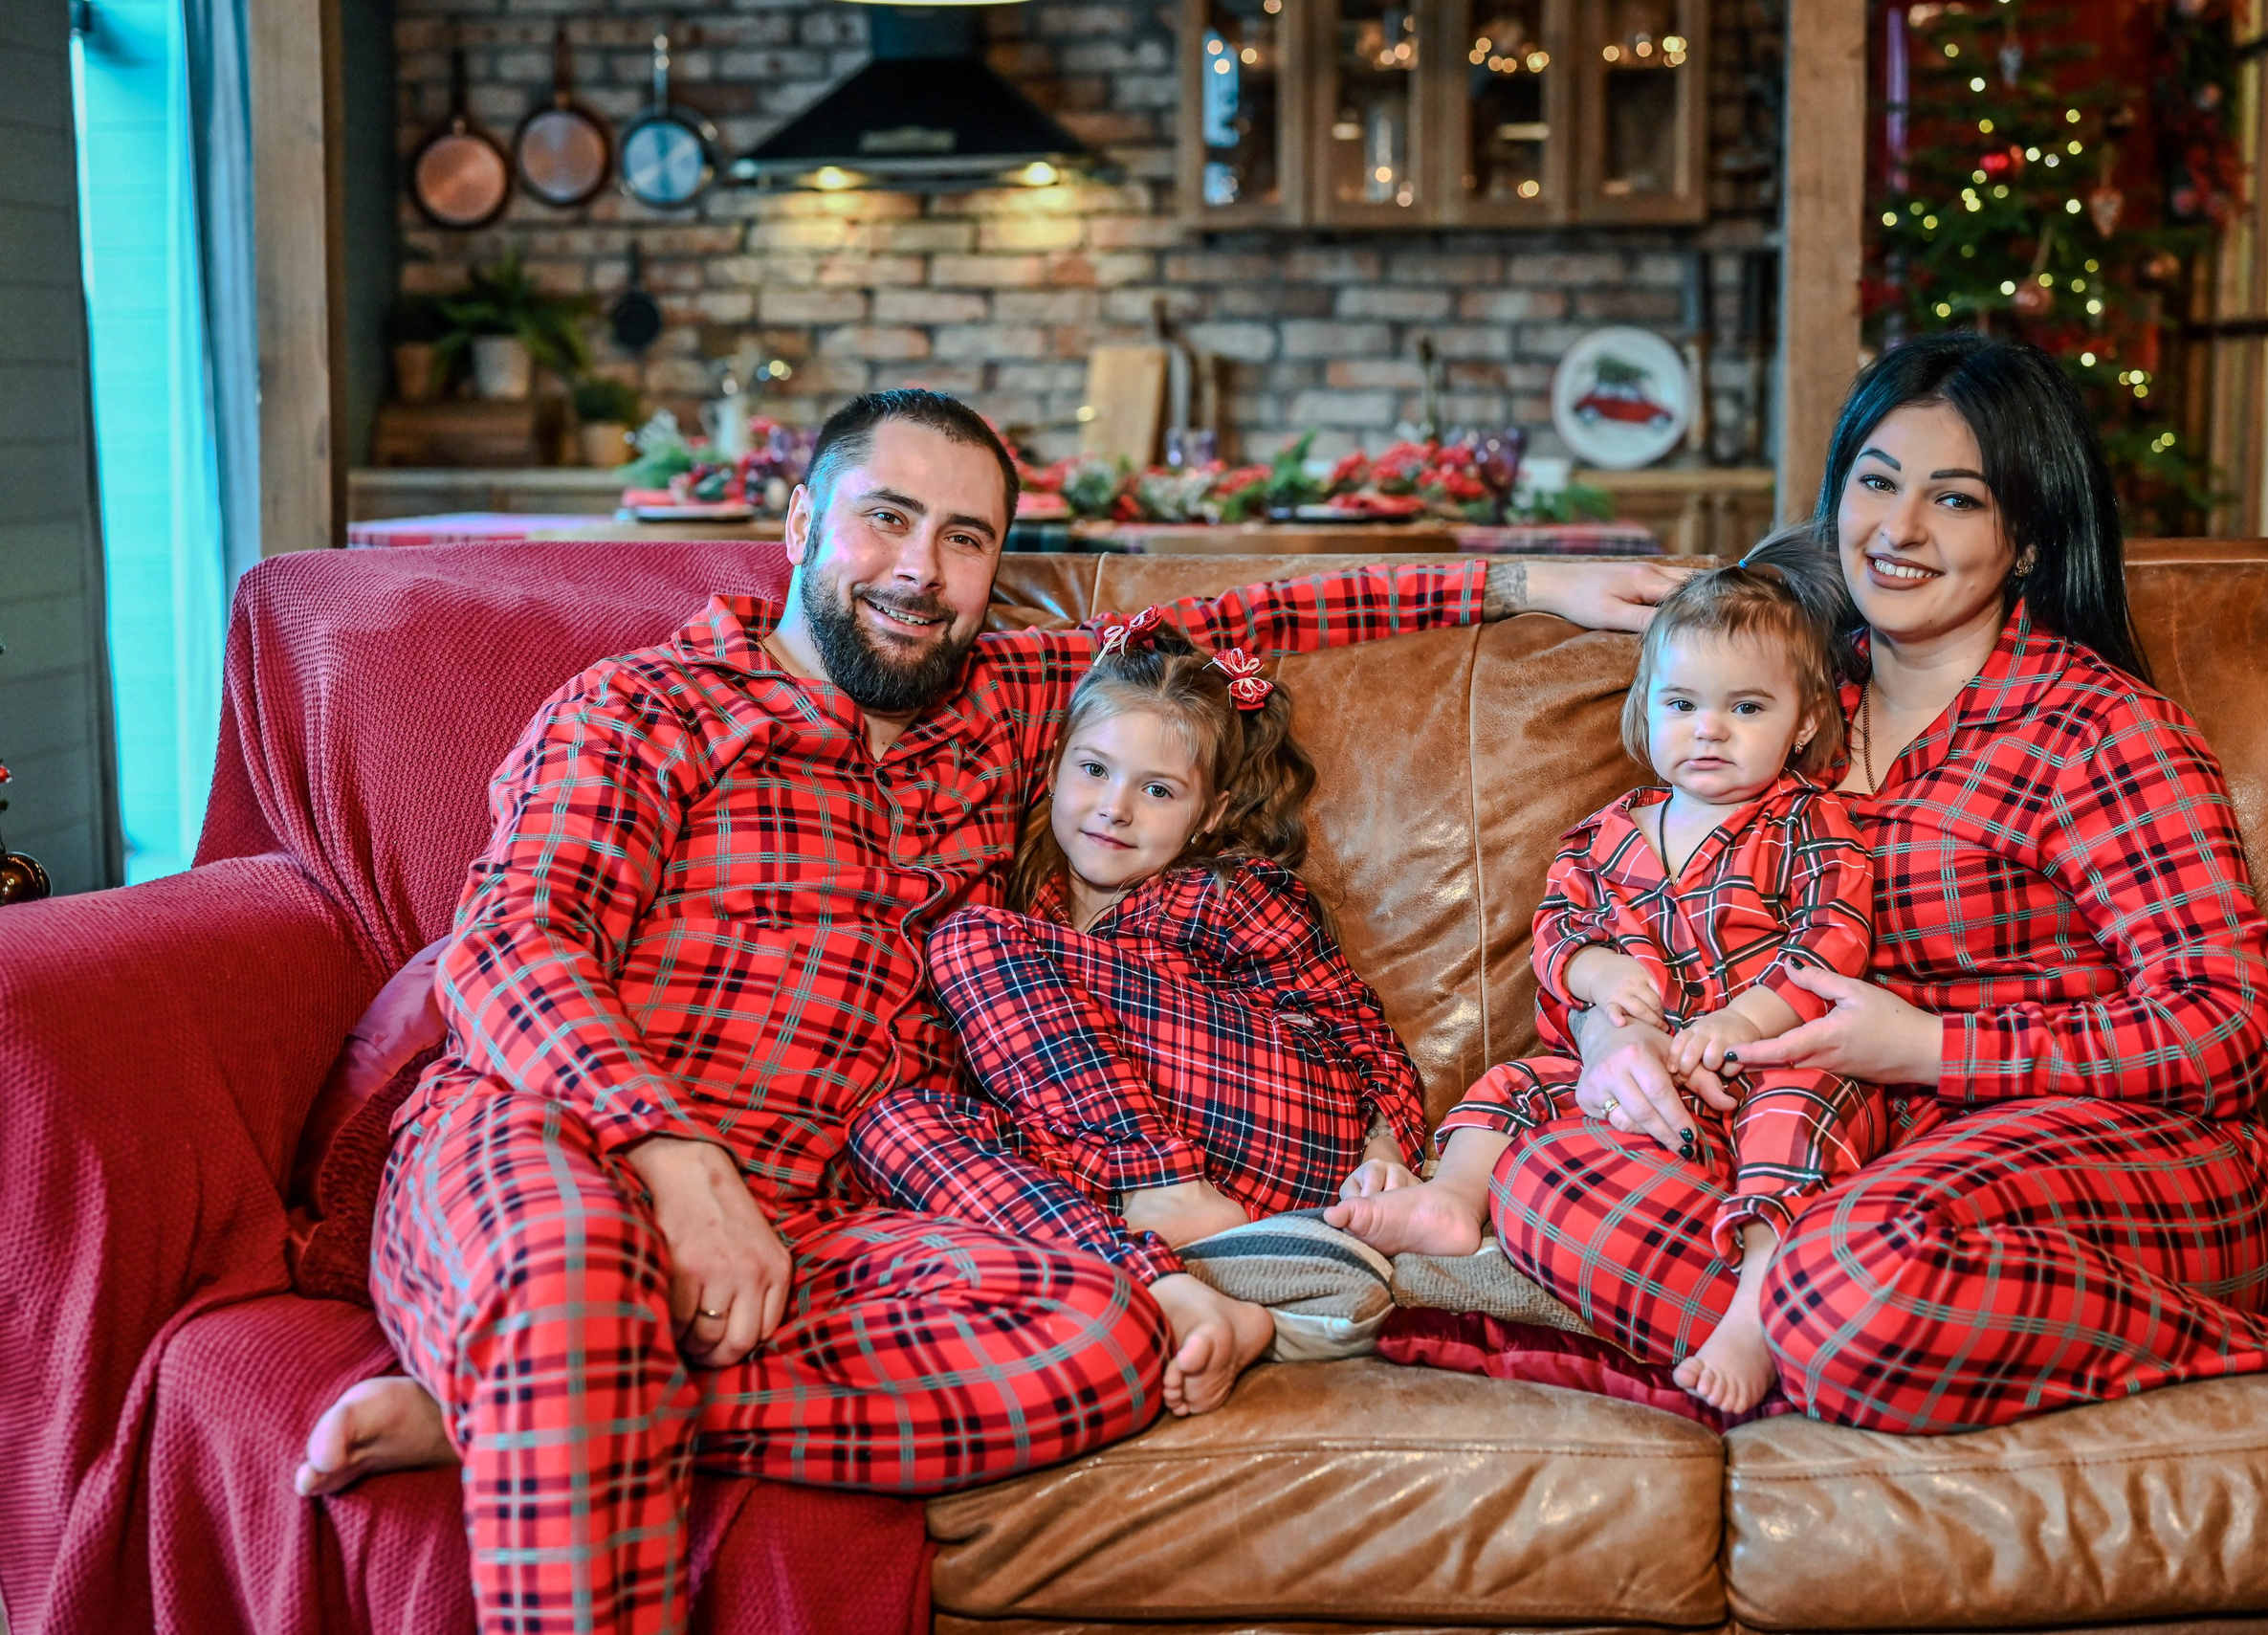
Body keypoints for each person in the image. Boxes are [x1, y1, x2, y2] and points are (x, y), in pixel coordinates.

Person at [287, 387, 1683, 1635]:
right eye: (886, 518)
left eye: (965, 539)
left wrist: (1521, 574)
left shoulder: (1014, 707)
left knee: (1117, 1337)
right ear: (797, 520)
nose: (922, 569)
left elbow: (1241, 625)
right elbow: (512, 949)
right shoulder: (646, 707)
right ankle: (561, 1372)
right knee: (574, 1289)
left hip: (830, 1209)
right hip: (564, 1131)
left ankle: (542, 1414)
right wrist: (675, 1159)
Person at [1332, 334, 2268, 1430]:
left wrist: (1926, 1048)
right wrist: (1603, 1028)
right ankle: (1838, 1336)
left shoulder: (2096, 730)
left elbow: (2221, 1032)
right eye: (1876, 482)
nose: (1899, 529)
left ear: (2024, 537)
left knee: (1847, 1272)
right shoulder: (1781, 702)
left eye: (1955, 499)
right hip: (1841, 1157)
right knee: (1546, 1179)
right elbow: (1632, 905)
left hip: (2111, 1144)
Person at [847, 615, 1426, 1414]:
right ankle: (1161, 1280)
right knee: (891, 1124)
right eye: (1094, 770)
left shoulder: (1227, 891)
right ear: (1055, 768)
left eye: (1157, 790)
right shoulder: (1033, 902)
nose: (1113, 808)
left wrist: (1388, 1145)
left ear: (1211, 812)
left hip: (1288, 1123)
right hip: (1133, 1174)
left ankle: (1164, 1191)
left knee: (971, 941)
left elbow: (1359, 1032)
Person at [1434, 533, 1877, 1414]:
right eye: (1683, 702)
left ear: (1805, 722)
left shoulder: (1807, 824)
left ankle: (1755, 1303)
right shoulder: (1607, 832)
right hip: (1635, 1076)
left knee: (1800, 1106)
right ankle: (1448, 1199)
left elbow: (1833, 937)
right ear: (1647, 709)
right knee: (1517, 1079)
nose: (1708, 728)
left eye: (1746, 707)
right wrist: (1597, 975)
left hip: (1769, 1063)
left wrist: (1746, 1025)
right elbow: (1558, 930)